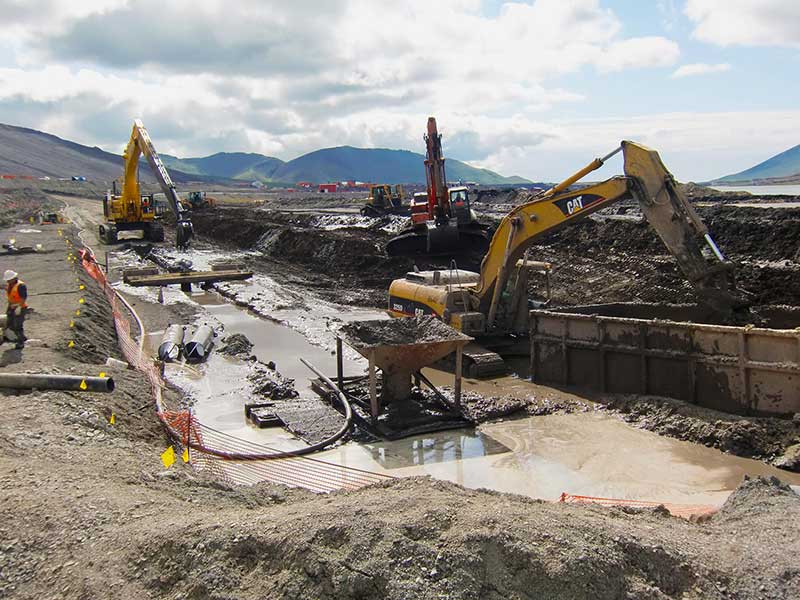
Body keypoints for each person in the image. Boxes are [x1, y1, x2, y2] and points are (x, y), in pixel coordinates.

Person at [4, 269, 27, 349]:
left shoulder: (21, 286)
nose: (7, 282)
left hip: (19, 307)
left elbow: (23, 298)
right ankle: (22, 338)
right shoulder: (10, 285)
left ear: (13, 278)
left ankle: (20, 343)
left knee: (18, 326)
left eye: (8, 280)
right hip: (11, 306)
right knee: (10, 323)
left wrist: (18, 306)